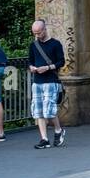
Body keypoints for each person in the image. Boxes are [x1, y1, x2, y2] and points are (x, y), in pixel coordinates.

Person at [27, 19, 66, 149]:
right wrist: (32, 67)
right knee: (38, 111)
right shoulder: (33, 45)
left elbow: (61, 62)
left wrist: (48, 67)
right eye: (34, 33)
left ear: (45, 30)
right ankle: (44, 138)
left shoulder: (55, 44)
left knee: (49, 110)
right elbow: (30, 61)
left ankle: (58, 130)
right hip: (37, 81)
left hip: (51, 80)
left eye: (39, 32)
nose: (37, 35)